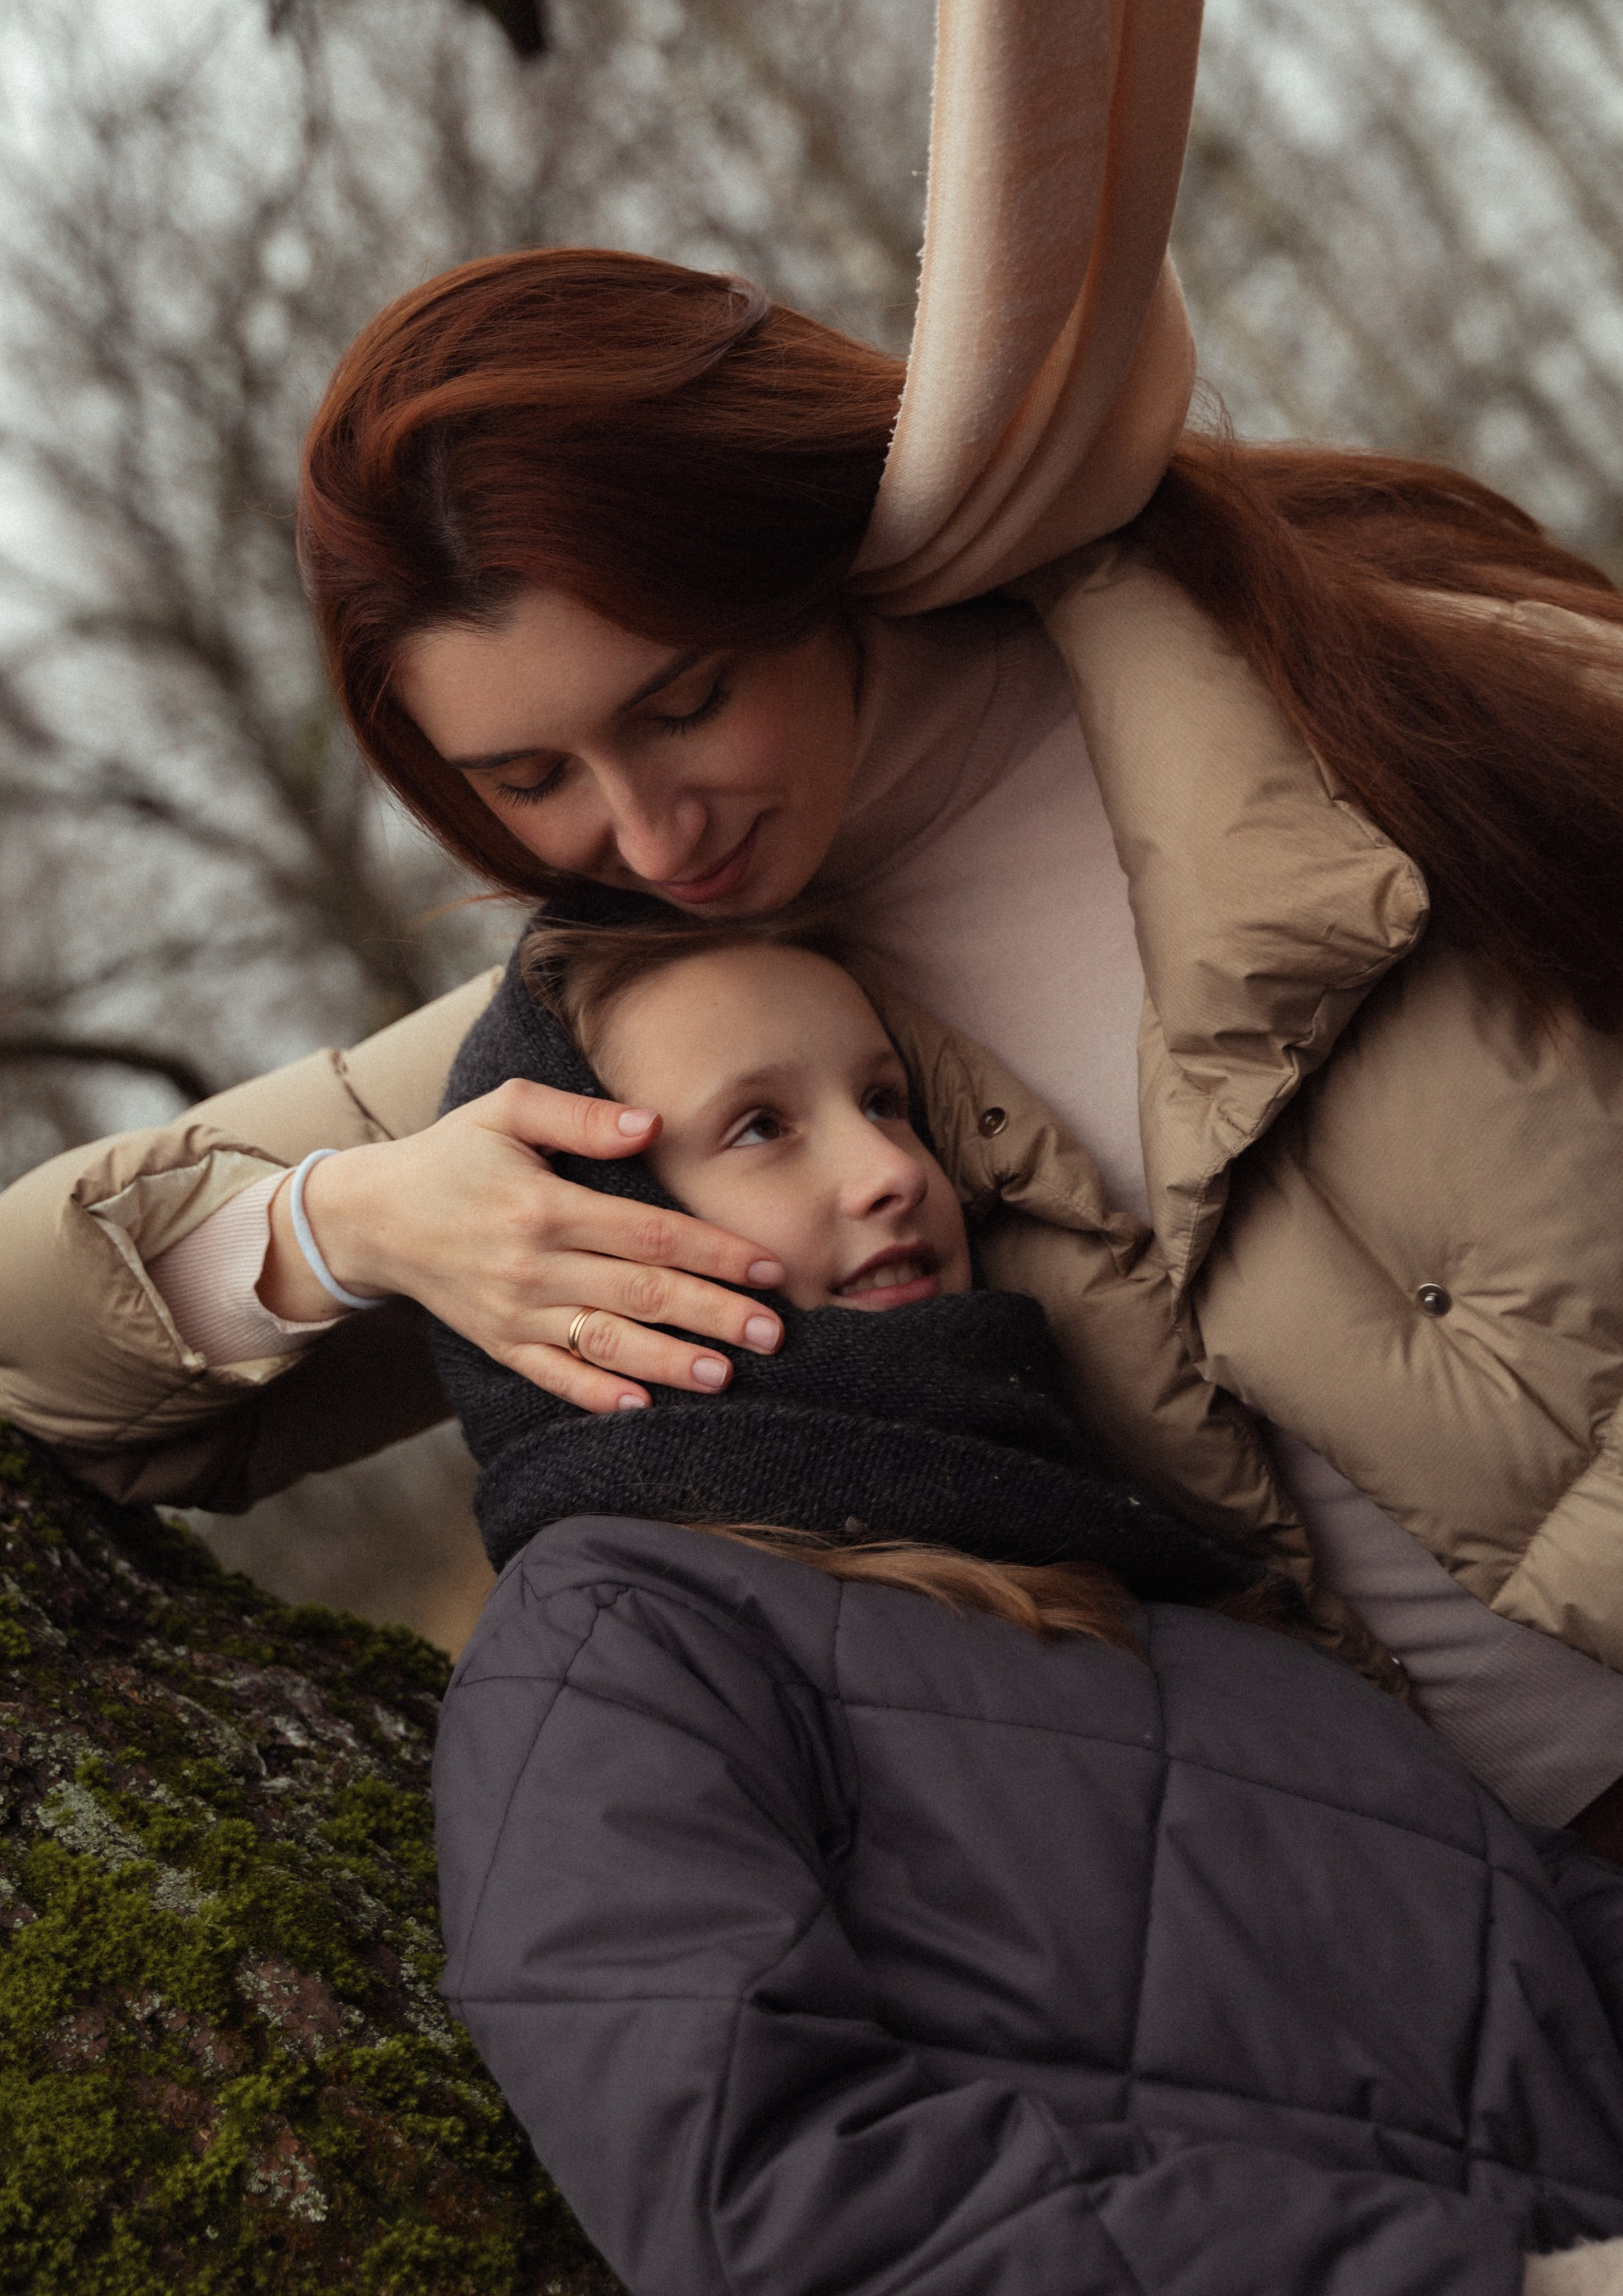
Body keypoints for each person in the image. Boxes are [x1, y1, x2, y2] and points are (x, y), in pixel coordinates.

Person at [0, 0, 1623, 1845]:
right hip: (1504, 1965)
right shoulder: (641, 1035)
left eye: (682, 694)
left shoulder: (1354, 673)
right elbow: (29, 1335)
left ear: (797, 553)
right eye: (527, 777)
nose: (646, 824)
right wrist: (368, 1219)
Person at [427, 927, 1623, 2296]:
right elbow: (769, 2198)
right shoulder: (609, 1641)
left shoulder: (1146, 1574)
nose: (890, 1169)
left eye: (887, 1100)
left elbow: (1527, 1932)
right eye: (759, 1126)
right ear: (567, 1236)